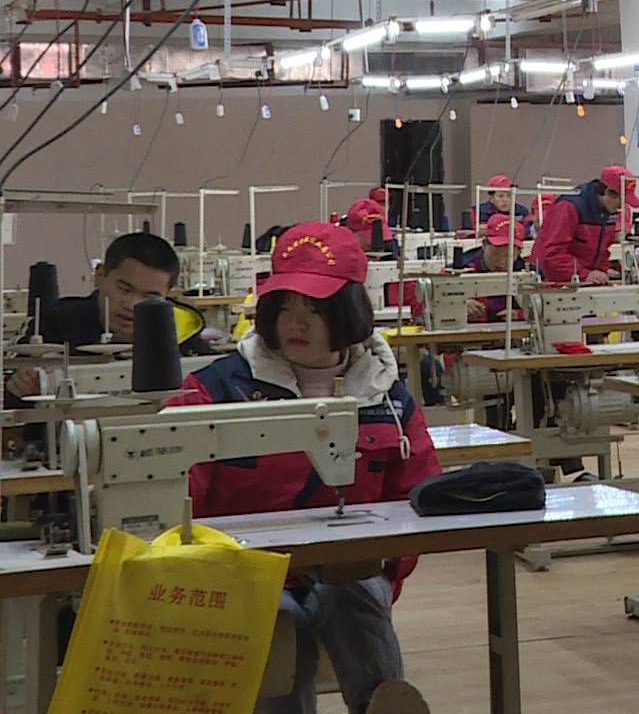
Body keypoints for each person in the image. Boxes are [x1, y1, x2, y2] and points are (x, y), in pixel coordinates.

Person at [168, 221, 439, 714]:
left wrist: (385, 574)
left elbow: (417, 494)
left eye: (315, 309)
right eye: (284, 307)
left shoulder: (388, 398)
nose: (296, 323)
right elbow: (176, 498)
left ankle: (382, 703)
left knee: (356, 594)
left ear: (349, 312)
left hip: (347, 571)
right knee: (277, 624)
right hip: (247, 574)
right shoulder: (214, 392)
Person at [46, 231, 214, 353]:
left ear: (166, 296)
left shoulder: (183, 335)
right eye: (124, 289)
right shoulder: (54, 327)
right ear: (100, 276)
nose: (132, 305)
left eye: (150, 297)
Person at [530, 164, 637, 284]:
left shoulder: (607, 211)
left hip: (580, 281)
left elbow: (602, 250)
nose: (621, 206)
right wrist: (585, 274)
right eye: (621, 200)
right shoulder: (568, 207)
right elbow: (552, 254)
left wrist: (601, 272)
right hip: (551, 282)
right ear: (607, 192)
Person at [461, 214, 526, 323]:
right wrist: (459, 305)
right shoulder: (461, 269)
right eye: (496, 255)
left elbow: (546, 308)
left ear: (519, 252)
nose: (501, 262)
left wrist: (521, 315)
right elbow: (435, 301)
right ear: (484, 245)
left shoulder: (527, 271)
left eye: (509, 257)